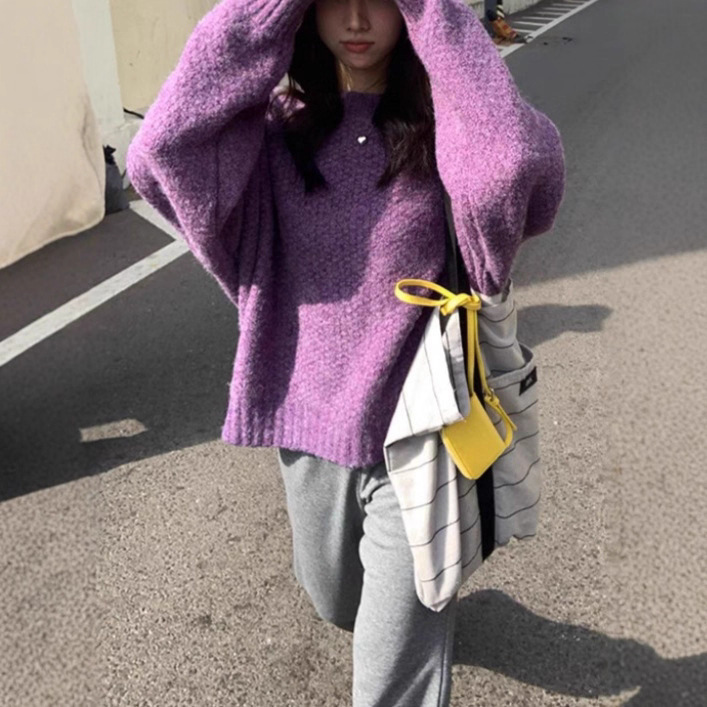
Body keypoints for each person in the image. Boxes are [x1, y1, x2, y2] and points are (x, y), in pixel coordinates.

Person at [126, 0, 565, 704]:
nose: (357, 18)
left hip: (422, 431)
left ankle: (416, 613)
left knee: (387, 680)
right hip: (307, 428)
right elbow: (160, 153)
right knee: (336, 602)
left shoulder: (454, 127)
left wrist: (437, 15)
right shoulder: (274, 136)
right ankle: (409, 609)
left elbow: (512, 168)